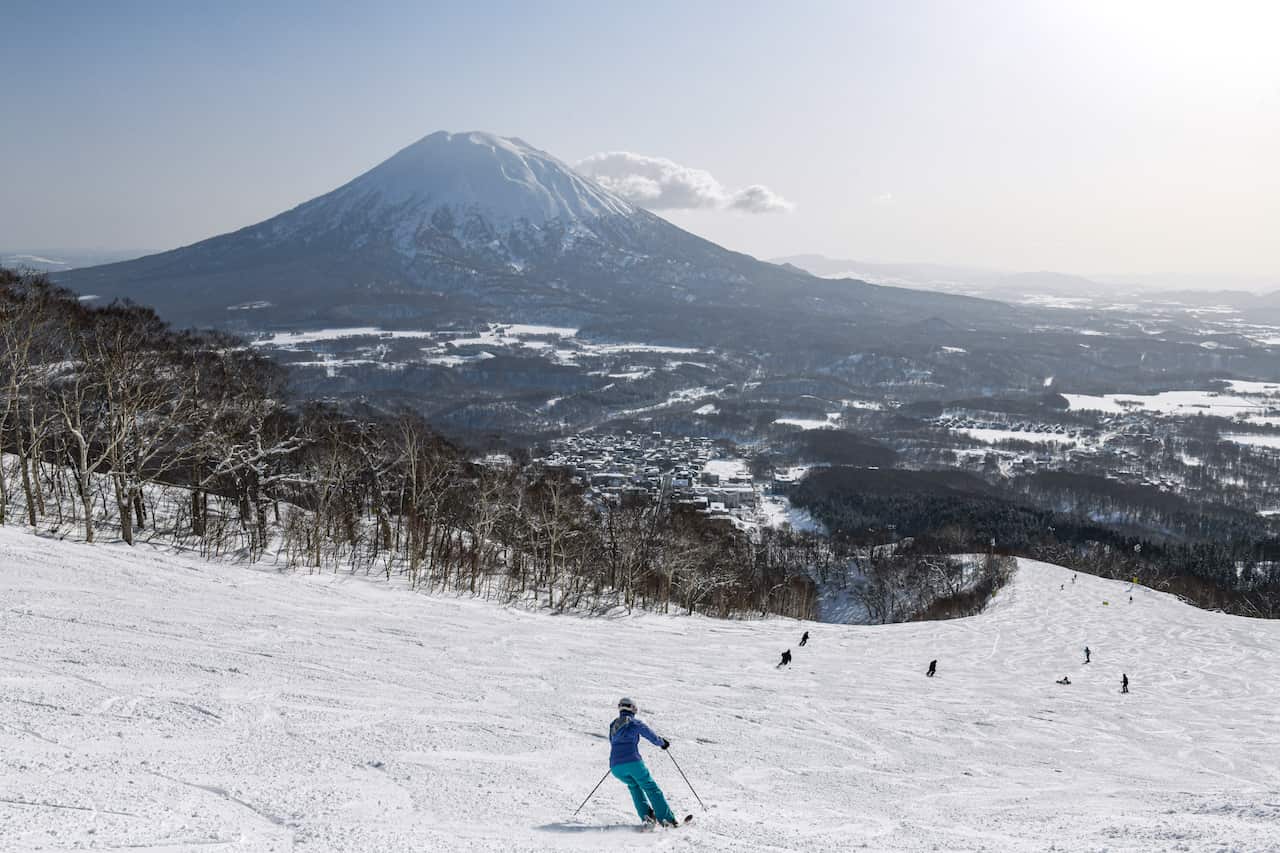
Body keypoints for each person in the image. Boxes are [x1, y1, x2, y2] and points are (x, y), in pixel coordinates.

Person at [609, 697, 679, 827]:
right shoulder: (634, 723)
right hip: (632, 762)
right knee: (650, 787)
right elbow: (650, 735)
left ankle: (647, 818)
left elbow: (612, 742)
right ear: (633, 709)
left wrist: (618, 760)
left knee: (634, 786)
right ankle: (667, 819)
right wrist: (662, 743)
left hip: (615, 766)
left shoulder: (613, 725)